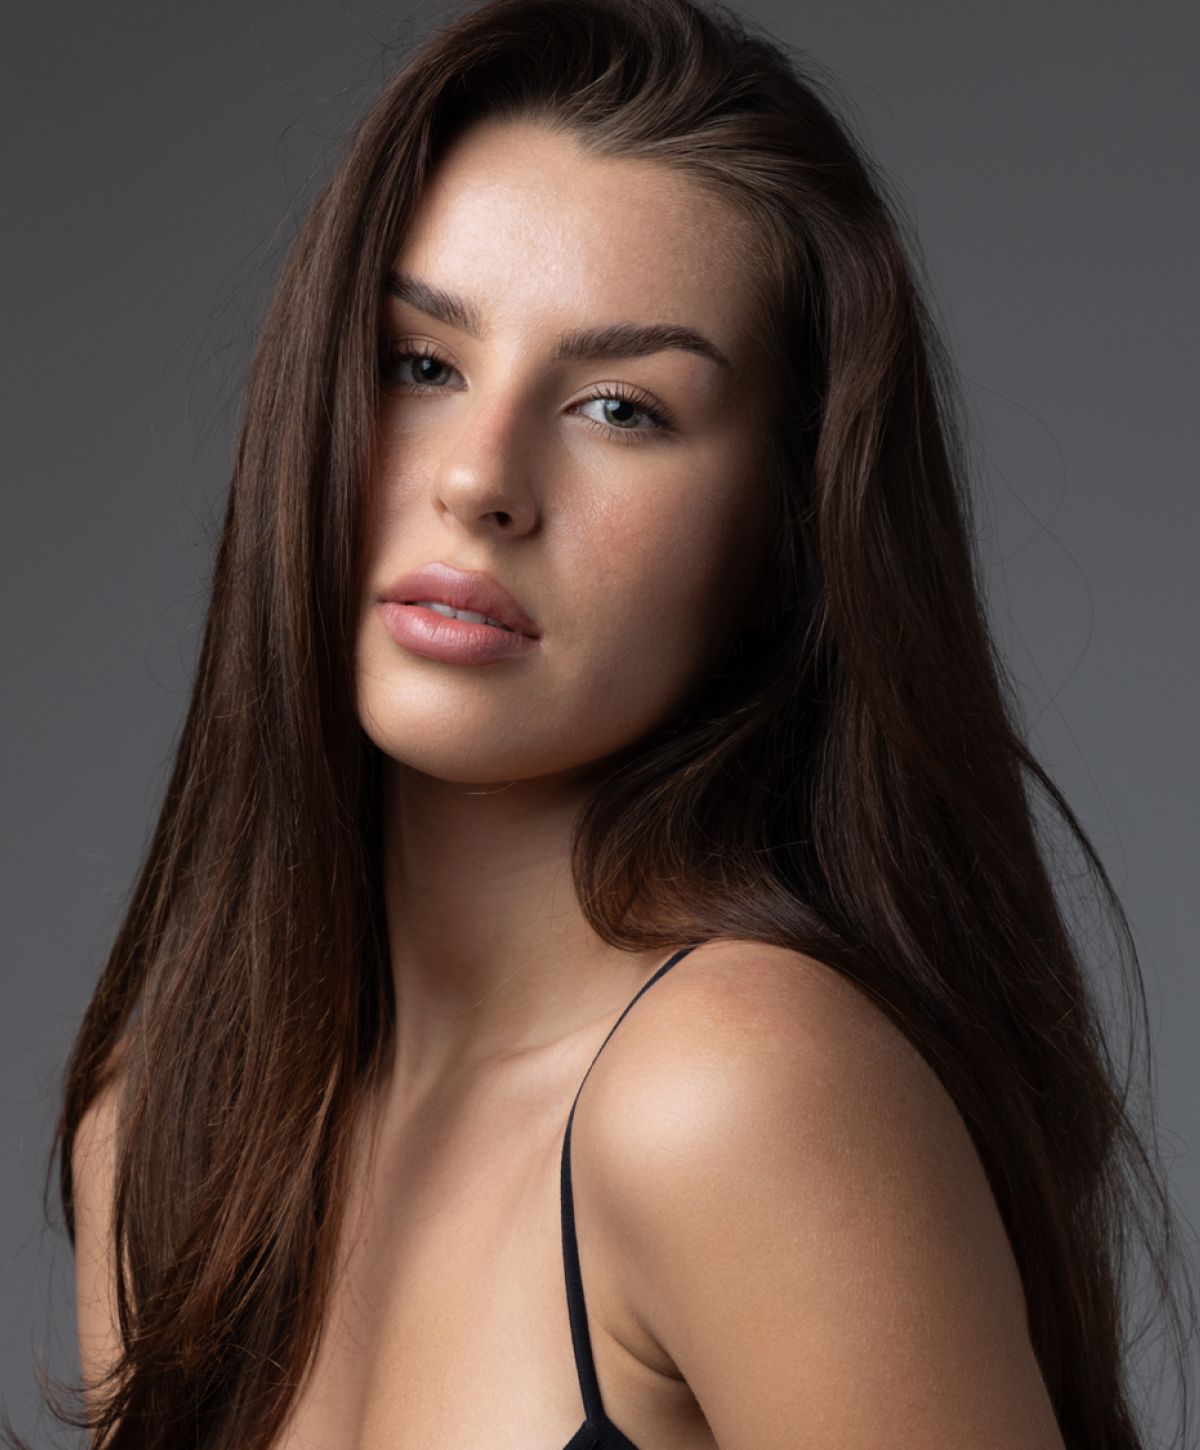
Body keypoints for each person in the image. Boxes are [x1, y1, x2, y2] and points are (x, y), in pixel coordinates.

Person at [11, 0, 1195, 1447]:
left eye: (623, 406)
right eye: (420, 362)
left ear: (783, 532)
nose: (481, 480)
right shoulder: (166, 1133)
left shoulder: (740, 1089)